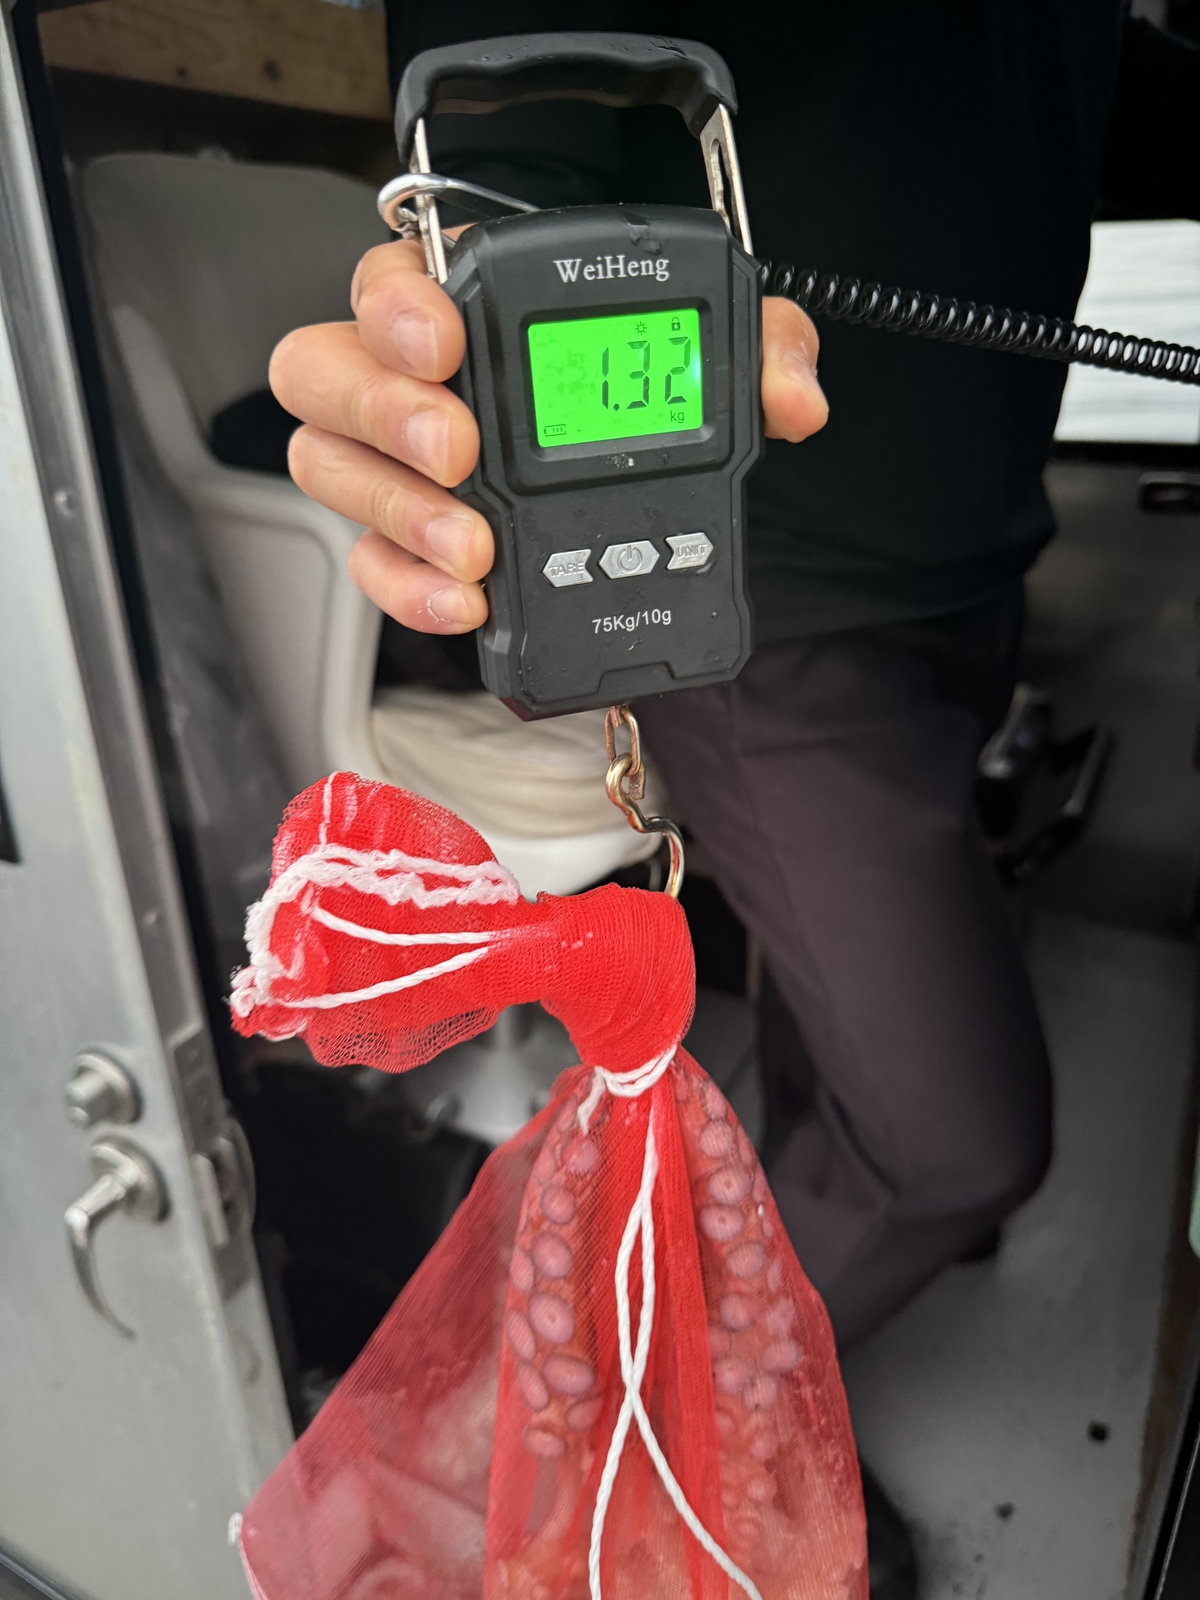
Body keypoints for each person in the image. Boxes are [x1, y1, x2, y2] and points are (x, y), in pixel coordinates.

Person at [267, 7, 1200, 1593]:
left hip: (972, 575)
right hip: (780, 621)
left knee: (858, 1064)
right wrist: (458, 278)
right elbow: (497, 146)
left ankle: (727, 1340)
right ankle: (658, 1445)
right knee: (959, 1147)